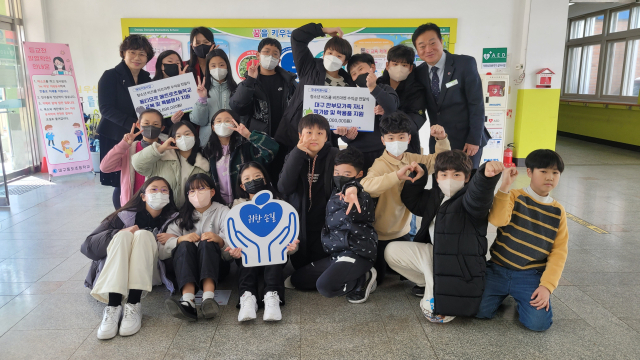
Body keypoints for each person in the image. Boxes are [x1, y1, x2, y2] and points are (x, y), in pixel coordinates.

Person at [385, 151, 503, 323]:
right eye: (444, 174)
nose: (450, 179)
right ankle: (427, 281)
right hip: (435, 255)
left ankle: (434, 283)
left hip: (460, 265)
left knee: (437, 316)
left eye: (456, 174)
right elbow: (412, 200)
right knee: (391, 251)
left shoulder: (469, 199)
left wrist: (486, 177)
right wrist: (419, 175)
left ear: (467, 177)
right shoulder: (435, 195)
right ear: (437, 177)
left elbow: (479, 196)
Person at [477, 150, 568, 332]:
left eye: (555, 173)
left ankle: (521, 298)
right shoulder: (514, 196)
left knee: (538, 324)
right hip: (498, 268)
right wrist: (504, 187)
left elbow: (559, 252)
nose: (550, 177)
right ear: (529, 172)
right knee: (478, 311)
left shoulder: (558, 211)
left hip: (530, 274)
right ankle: (506, 294)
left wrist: (546, 287)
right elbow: (497, 220)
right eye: (543, 171)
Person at [80, 176, 179, 339]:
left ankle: (134, 304)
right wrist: (118, 233)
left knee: (143, 235)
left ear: (169, 196)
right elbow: (88, 245)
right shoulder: (124, 215)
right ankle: (113, 307)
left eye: (164, 190)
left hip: (151, 272)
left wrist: (172, 238)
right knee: (122, 236)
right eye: (153, 189)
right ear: (143, 195)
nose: (158, 193)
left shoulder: (174, 219)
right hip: (120, 270)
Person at [360, 111, 450, 284]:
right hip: (380, 234)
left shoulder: (412, 158)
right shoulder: (380, 164)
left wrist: (441, 139)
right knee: (379, 279)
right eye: (391, 138)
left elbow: (439, 161)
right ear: (383, 140)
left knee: (405, 277)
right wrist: (396, 176)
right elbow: (366, 186)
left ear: (409, 139)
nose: (396, 142)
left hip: (403, 231)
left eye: (401, 137)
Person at [288, 147, 378, 304]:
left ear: (359, 175)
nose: (340, 177)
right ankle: (347, 275)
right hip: (335, 254)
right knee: (297, 280)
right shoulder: (333, 192)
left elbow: (358, 201)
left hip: (356, 253)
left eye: (347, 174)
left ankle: (363, 278)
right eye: (337, 173)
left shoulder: (361, 196)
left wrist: (354, 188)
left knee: (325, 287)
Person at [161, 173, 240, 321]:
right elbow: (162, 251)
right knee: (184, 244)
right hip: (187, 270)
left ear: (212, 192)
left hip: (216, 268)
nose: (196, 194)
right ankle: (187, 301)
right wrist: (181, 239)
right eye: (192, 191)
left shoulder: (224, 212)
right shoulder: (181, 216)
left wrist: (219, 240)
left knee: (207, 242)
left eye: (201, 188)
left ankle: (208, 299)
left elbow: (233, 246)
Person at [413, 23, 489, 169]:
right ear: (417, 50)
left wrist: (474, 139)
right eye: (422, 46)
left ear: (441, 42)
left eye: (432, 43)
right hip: (438, 141)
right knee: (440, 184)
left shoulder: (465, 64)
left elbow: (476, 104)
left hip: (466, 140)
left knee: (466, 184)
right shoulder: (419, 73)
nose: (428, 49)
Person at [234, 162, 299, 322]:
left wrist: (291, 247)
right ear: (242, 185)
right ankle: (247, 298)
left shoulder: (279, 204)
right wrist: (234, 251)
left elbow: (288, 237)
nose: (253, 181)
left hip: (275, 256)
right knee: (247, 262)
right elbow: (233, 236)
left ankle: (272, 297)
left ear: (265, 180)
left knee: (274, 253)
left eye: (257, 177)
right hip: (247, 257)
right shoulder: (236, 207)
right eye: (247, 179)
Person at [275, 23, 356, 149]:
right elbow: (297, 37)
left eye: (339, 56)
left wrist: (340, 132)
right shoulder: (309, 67)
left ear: (345, 61)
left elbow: (345, 119)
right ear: (323, 55)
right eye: (330, 53)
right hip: (292, 135)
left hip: (324, 142)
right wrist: (322, 30)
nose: (333, 57)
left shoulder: (348, 85)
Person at [229, 38, 297, 188]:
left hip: (285, 144)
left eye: (275, 54)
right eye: (266, 52)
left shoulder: (290, 83)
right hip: (257, 144)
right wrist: (250, 81)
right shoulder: (249, 82)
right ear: (258, 55)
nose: (270, 56)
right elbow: (237, 106)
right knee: (259, 184)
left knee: (284, 185)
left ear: (279, 58)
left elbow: (300, 109)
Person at [97, 34, 154, 209]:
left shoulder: (146, 78)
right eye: (133, 52)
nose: (137, 58)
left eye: (142, 54)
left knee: (138, 178)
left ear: (147, 57)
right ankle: (121, 216)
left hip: (139, 135)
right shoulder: (110, 76)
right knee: (120, 182)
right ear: (123, 53)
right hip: (116, 135)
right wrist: (133, 124)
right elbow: (105, 108)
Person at [278, 114, 339, 271]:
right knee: (301, 267)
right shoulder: (292, 157)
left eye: (320, 133)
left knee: (321, 266)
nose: (314, 137)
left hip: (326, 224)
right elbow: (284, 187)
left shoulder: (335, 156)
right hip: (301, 224)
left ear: (326, 137)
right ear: (300, 135)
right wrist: (298, 153)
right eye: (309, 132)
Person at [201, 109, 279, 206]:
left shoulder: (246, 146)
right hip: (219, 205)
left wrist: (249, 135)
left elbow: (272, 149)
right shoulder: (207, 151)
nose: (223, 124)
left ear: (235, 123)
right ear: (213, 127)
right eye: (219, 121)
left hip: (245, 203)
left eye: (227, 120)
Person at [339, 53, 398, 174]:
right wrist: (346, 136)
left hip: (382, 152)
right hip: (356, 154)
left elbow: (392, 106)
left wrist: (373, 88)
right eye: (354, 74)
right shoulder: (349, 95)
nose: (358, 74)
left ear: (372, 67)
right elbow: (342, 124)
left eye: (361, 69)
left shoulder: (385, 89)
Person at [131, 121, 209, 207]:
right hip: (158, 213)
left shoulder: (202, 165)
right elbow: (137, 164)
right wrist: (161, 148)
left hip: (187, 215)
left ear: (195, 136)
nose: (183, 138)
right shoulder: (161, 158)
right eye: (178, 136)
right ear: (172, 139)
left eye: (187, 134)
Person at [101, 109, 165, 207]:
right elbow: (105, 167)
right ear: (138, 125)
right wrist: (123, 144)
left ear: (162, 128)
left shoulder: (167, 148)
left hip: (161, 205)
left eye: (156, 124)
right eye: (146, 123)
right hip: (133, 206)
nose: (151, 127)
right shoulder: (129, 149)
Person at [377, 44, 427, 155]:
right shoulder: (377, 86)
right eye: (395, 64)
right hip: (378, 149)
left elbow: (414, 124)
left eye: (404, 65)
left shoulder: (417, 90)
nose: (399, 68)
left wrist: (389, 110)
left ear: (410, 68)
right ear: (387, 65)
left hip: (408, 150)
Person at [191, 49, 238, 146]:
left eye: (221, 65)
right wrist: (202, 99)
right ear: (208, 68)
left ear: (227, 66)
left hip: (232, 140)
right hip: (208, 142)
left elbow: (240, 117)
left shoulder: (236, 89)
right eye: (213, 66)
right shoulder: (202, 90)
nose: (217, 68)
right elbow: (199, 121)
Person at [152, 50, 191, 133]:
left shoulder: (186, 83)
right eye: (170, 61)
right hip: (160, 135)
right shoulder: (151, 86)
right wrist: (170, 122)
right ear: (160, 65)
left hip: (183, 133)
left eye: (177, 63)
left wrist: (183, 83)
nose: (174, 65)